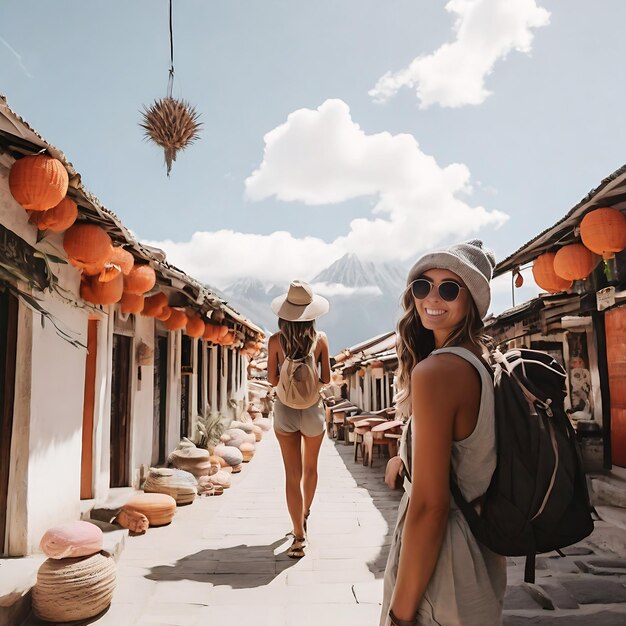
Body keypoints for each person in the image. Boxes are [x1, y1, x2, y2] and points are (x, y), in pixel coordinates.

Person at [380, 240, 507, 626]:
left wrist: (400, 616)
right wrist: (407, 457)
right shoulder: (480, 360)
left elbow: (431, 507)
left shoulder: (437, 372)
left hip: (440, 568)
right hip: (478, 555)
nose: (432, 297)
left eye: (449, 288)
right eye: (423, 286)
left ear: (473, 301)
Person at [267, 280, 331, 558]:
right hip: (313, 411)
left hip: (284, 411)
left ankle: (298, 536)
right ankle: (304, 512)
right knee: (310, 469)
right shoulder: (321, 340)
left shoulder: (274, 341)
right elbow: (326, 378)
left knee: (291, 475)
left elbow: (271, 379)